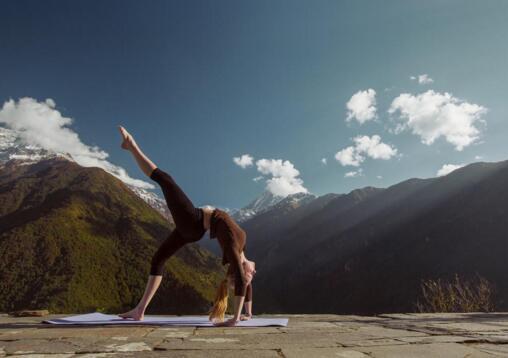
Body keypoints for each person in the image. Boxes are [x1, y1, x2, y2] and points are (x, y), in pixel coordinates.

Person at [116, 126, 256, 327]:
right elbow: (245, 285)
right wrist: (248, 314)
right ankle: (140, 310)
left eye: (248, 275)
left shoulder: (235, 245)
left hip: (194, 221)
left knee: (165, 180)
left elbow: (242, 282)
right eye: (252, 274)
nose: (253, 273)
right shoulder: (242, 244)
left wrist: (234, 319)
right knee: (158, 259)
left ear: (241, 271)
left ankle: (132, 147)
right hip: (192, 230)